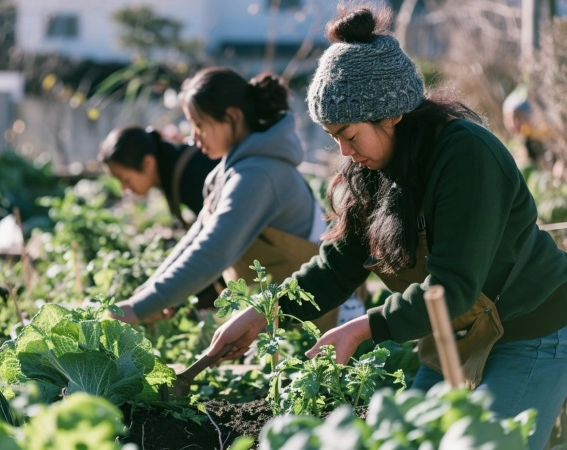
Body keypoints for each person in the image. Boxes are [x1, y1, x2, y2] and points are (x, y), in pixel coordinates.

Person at [207, 6, 567, 450]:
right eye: (332, 135)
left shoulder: (467, 157)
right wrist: (266, 312)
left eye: (349, 134)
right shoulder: (374, 168)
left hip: (531, 330)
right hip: (453, 336)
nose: (343, 149)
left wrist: (362, 328)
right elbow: (339, 267)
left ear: (392, 114)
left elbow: (452, 288)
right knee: (405, 442)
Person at [109, 66, 361, 330]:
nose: (193, 137)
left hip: (329, 319)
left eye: (199, 125)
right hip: (287, 318)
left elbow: (212, 251)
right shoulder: (232, 171)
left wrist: (139, 307)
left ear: (231, 117)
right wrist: (143, 298)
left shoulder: (259, 174)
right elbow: (195, 240)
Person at [98, 125, 219, 228]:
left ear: (147, 163)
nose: (123, 188)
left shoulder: (191, 176)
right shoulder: (171, 166)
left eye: (125, 179)